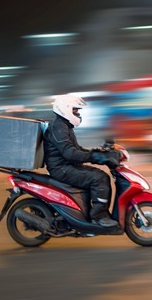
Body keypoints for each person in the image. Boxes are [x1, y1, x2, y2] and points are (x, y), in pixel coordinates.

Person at [43, 94, 120, 227]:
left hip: (66, 166)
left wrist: (98, 153)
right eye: (75, 110)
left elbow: (76, 149)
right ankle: (98, 216)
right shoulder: (59, 127)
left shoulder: (64, 125)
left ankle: (90, 212)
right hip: (62, 168)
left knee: (99, 175)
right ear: (65, 108)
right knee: (99, 178)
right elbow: (70, 153)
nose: (77, 113)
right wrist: (95, 157)